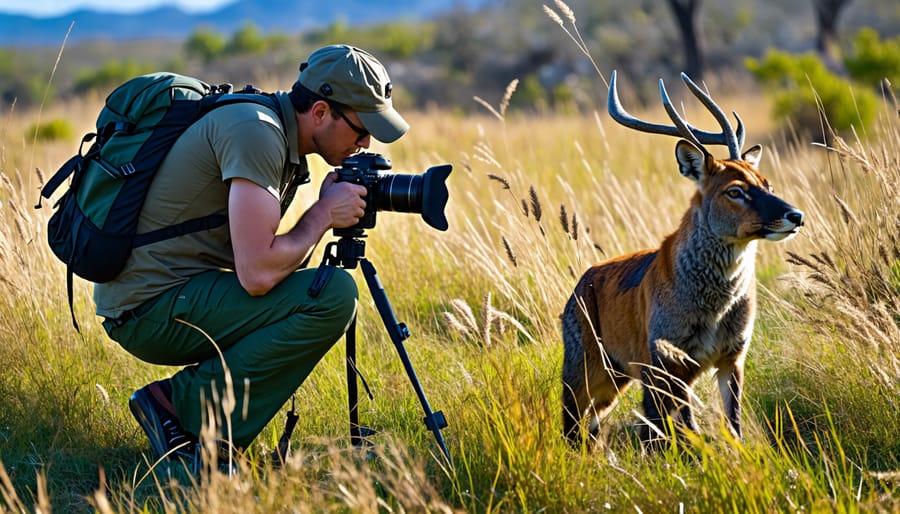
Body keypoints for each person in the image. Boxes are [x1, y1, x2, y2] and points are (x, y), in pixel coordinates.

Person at [95, 44, 409, 466]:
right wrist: (320, 216)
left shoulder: (270, 128)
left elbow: (263, 266)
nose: (365, 142)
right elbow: (258, 274)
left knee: (318, 292)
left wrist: (322, 213)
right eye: (359, 128)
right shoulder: (257, 132)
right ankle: (183, 412)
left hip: (161, 295)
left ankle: (193, 414)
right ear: (319, 113)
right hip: (148, 307)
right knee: (333, 295)